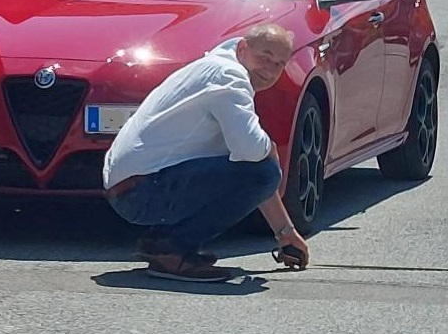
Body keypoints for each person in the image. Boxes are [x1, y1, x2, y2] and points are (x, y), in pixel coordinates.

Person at [103, 22, 312, 282]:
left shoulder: (215, 69)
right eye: (264, 57)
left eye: (279, 64)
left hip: (132, 188)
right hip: (142, 191)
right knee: (265, 171)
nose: (269, 70)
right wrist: (271, 152)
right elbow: (254, 159)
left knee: (260, 169)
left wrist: (286, 233)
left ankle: (161, 242)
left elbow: (247, 162)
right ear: (243, 48)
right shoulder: (229, 76)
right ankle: (173, 250)